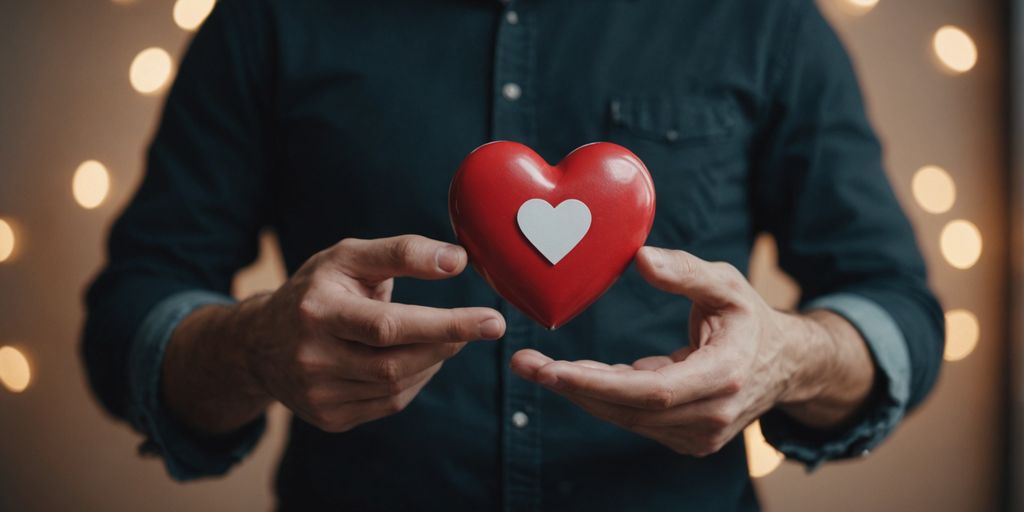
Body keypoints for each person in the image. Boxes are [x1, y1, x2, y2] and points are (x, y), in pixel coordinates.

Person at [81, 0, 944, 510]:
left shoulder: (762, 17)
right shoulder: (268, 17)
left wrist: (789, 359)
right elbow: (129, 314)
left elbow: (896, 307)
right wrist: (250, 348)